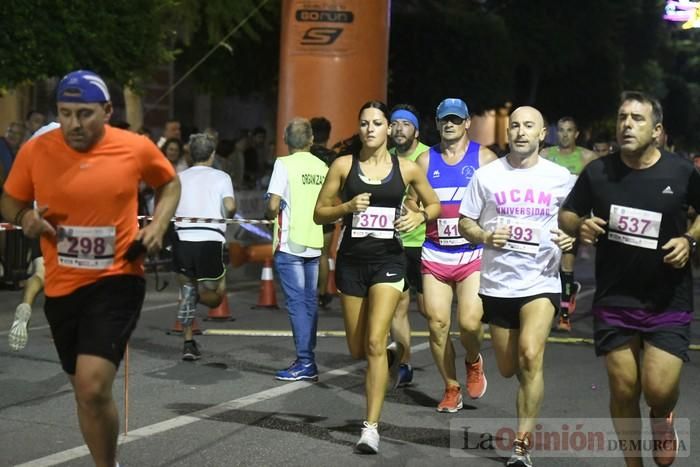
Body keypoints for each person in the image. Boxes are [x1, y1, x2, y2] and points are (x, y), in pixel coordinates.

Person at [0, 70, 180, 467]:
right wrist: (24, 217)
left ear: (107, 110)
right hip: (62, 286)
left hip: (117, 278)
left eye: (84, 114)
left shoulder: (134, 147)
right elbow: (10, 200)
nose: (73, 124)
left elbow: (169, 184)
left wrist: (159, 224)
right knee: (84, 393)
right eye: (65, 113)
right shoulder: (36, 150)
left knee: (92, 385)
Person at [559, 91, 699, 467]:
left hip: (667, 298)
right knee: (623, 389)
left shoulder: (680, 172)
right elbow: (567, 214)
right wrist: (581, 224)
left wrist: (690, 239)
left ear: (656, 130)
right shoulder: (598, 172)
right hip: (615, 297)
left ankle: (662, 416)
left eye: (637, 118)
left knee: (658, 389)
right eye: (622, 117)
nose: (626, 125)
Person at [314, 100, 440, 454]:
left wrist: (418, 218)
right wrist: (346, 208)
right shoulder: (343, 165)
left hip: (390, 260)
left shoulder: (407, 168)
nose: (371, 129)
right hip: (352, 262)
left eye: (378, 123)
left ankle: (370, 428)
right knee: (358, 348)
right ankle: (390, 351)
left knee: (372, 343)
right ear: (360, 128)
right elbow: (318, 213)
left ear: (388, 129)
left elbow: (433, 206)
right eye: (365, 123)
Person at [458, 106, 574, 467]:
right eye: (515, 126)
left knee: (529, 354)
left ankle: (522, 445)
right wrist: (485, 235)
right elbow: (466, 222)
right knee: (508, 367)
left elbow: (576, 221)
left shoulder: (561, 177)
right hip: (498, 284)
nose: (521, 132)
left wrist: (571, 237)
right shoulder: (488, 176)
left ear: (543, 134)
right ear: (507, 132)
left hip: (541, 280)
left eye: (529, 126)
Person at [417, 98, 498, 411]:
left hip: (472, 253)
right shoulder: (425, 160)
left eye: (456, 119)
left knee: (469, 323)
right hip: (435, 252)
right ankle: (451, 388)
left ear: (467, 123)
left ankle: (473, 359)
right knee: (437, 324)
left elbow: (498, 202)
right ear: (437, 124)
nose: (449, 124)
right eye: (444, 120)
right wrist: (414, 214)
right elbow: (414, 201)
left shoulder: (486, 158)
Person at [265, 118, 328, 381]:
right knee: (309, 302)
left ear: (285, 140)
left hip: (290, 242)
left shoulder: (284, 164)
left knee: (296, 304)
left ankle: (305, 361)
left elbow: (272, 205)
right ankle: (307, 358)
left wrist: (271, 208)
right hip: (314, 240)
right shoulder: (322, 166)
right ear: (312, 140)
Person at [172, 133, 236, 361]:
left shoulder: (177, 177)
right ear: (212, 154)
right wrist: (229, 213)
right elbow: (230, 206)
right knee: (217, 297)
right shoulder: (222, 177)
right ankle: (197, 295)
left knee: (186, 289)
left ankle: (188, 343)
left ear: (190, 153)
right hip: (210, 241)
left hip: (182, 241)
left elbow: (167, 208)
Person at [387, 104, 430, 387]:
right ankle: (404, 364)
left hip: (426, 241)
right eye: (395, 123)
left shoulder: (428, 157)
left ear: (416, 130)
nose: (399, 128)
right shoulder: (382, 157)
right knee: (398, 305)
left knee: (430, 311)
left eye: (405, 123)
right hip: (394, 242)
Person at [540, 116, 597, 331]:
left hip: (570, 220)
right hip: (547, 218)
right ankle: (565, 292)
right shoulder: (545, 155)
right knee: (548, 266)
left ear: (576, 134)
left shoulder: (587, 157)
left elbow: (596, 188)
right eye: (561, 130)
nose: (564, 134)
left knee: (566, 265)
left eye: (569, 130)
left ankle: (564, 316)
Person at [309, 116, 337, 308]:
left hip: (306, 211)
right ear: (328, 135)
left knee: (304, 254)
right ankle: (322, 293)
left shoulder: (305, 156)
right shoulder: (334, 159)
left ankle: (307, 293)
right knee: (324, 255)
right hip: (327, 210)